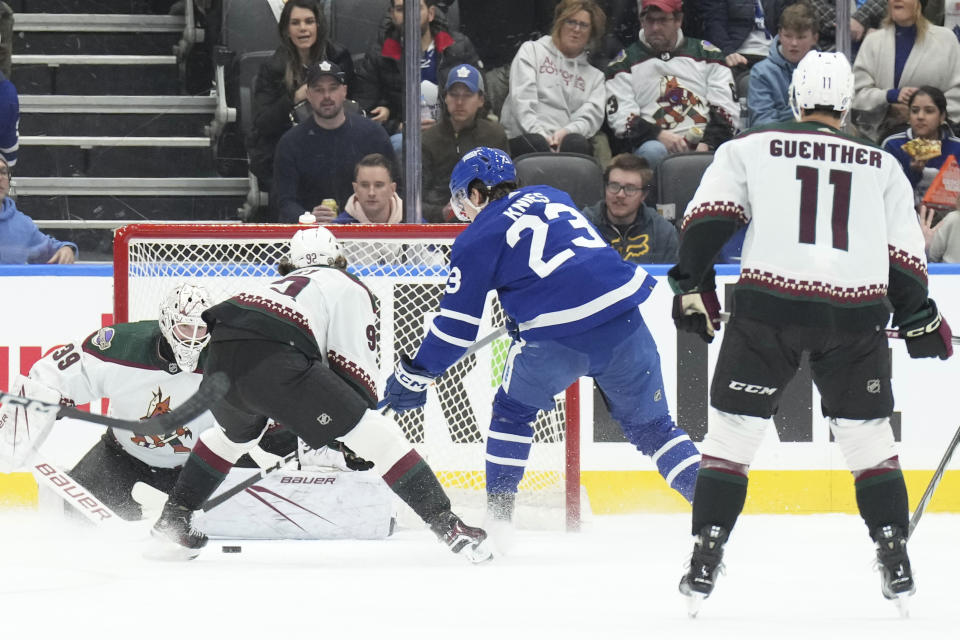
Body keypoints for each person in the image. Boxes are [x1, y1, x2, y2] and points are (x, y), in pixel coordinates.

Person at [668, 51, 952, 615]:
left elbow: (707, 221)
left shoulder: (747, 148)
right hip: (852, 320)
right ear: (847, 105)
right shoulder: (882, 164)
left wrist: (689, 284)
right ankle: (894, 554)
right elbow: (903, 257)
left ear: (796, 97)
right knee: (869, 440)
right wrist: (918, 316)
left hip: (766, 313)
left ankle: (706, 553)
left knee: (731, 440)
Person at [379, 146, 700, 551]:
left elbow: (456, 330)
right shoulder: (554, 195)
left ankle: (498, 522)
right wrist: (523, 300)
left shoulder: (475, 238)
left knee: (513, 412)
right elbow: (578, 260)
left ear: (477, 193)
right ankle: (712, 510)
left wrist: (415, 373)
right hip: (624, 319)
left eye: (463, 199)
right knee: (655, 430)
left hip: (556, 337)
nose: (463, 210)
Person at [150, 227, 492, 563]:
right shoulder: (348, 285)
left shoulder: (275, 286)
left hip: (222, 350)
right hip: (275, 356)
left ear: (290, 264)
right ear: (339, 260)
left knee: (230, 439)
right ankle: (449, 525)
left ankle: (174, 516)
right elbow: (351, 364)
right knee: (380, 436)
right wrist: (356, 431)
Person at [0, 284, 227, 519]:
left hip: (195, 471)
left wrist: (267, 431)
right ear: (168, 323)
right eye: (185, 327)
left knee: (182, 548)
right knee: (72, 522)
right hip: (120, 458)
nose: (192, 338)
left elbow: (257, 400)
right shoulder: (121, 345)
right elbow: (49, 376)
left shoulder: (226, 358)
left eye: (200, 329)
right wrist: (35, 407)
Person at [604, 0, 739, 169]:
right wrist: (658, 135)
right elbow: (622, 119)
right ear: (641, 21)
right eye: (650, 20)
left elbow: (727, 110)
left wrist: (707, 145)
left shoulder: (707, 54)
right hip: (653, 145)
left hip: (706, 144)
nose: (655, 28)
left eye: (662, 20)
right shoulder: (623, 63)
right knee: (653, 151)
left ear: (678, 21)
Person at [247, 0, 354, 195]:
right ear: (287, 29)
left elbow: (353, 105)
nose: (303, 28)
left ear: (318, 26)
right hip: (289, 147)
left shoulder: (338, 58)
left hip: (334, 143)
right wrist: (294, 98)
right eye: (295, 23)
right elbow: (263, 123)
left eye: (309, 21)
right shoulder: (273, 68)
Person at [272, 61, 395, 224]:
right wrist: (308, 217)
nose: (327, 96)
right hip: (310, 239)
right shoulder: (290, 143)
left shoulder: (373, 135)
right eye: (319, 90)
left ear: (344, 91)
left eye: (333, 88)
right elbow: (285, 201)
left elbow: (396, 189)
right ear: (308, 94)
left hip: (365, 236)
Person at [353, 0, 480, 148]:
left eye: (416, 8)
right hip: (404, 136)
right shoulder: (380, 53)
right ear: (392, 15)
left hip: (454, 130)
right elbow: (363, 110)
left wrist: (450, 123)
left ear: (431, 14)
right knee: (398, 145)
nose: (409, 16)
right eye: (401, 10)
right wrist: (396, 125)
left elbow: (482, 99)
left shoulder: (457, 47)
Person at [499, 0, 607, 158]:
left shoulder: (596, 77)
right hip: (525, 137)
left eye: (583, 25)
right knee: (537, 144)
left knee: (577, 144)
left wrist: (565, 133)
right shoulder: (531, 51)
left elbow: (589, 118)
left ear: (591, 33)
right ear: (560, 23)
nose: (576, 29)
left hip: (566, 141)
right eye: (571, 22)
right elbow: (521, 101)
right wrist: (543, 137)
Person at [852, 0, 960, 141]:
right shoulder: (873, 41)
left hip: (934, 142)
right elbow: (856, 93)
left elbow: (956, 93)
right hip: (880, 142)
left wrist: (923, 112)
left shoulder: (946, 40)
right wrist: (888, 96)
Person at [422, 63, 509, 222]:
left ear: (481, 100)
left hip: (485, 220)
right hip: (438, 225)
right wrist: (440, 212)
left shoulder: (495, 136)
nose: (460, 102)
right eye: (454, 95)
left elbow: (507, 189)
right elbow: (414, 198)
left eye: (467, 95)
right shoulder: (428, 140)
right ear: (445, 98)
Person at [582, 153, 678, 262]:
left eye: (630, 188)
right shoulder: (582, 225)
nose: (620, 195)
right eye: (614, 186)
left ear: (643, 195)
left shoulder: (662, 231)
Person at [747, 2, 820, 127]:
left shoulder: (827, 70)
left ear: (815, 38)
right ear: (780, 35)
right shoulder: (761, 72)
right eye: (788, 36)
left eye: (801, 37)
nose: (794, 43)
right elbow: (761, 123)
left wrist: (783, 115)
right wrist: (807, 112)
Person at [882, 86, 960, 197]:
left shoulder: (957, 147)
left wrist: (926, 174)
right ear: (909, 115)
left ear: (942, 116)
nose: (920, 116)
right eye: (914, 111)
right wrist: (913, 173)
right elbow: (886, 191)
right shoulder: (893, 145)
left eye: (929, 111)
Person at [0, 158, 75, 264]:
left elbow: (52, 251)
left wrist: (66, 249)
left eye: (3, 172)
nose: (0, 178)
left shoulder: (22, 225)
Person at [700, 0, 781, 81]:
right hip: (739, 55)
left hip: (772, 55)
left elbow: (787, 22)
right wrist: (727, 51)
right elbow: (714, 23)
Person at [332, 153, 404, 224]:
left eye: (378, 185)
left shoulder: (411, 220)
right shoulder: (339, 227)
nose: (371, 193)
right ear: (355, 189)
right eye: (364, 185)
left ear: (392, 189)